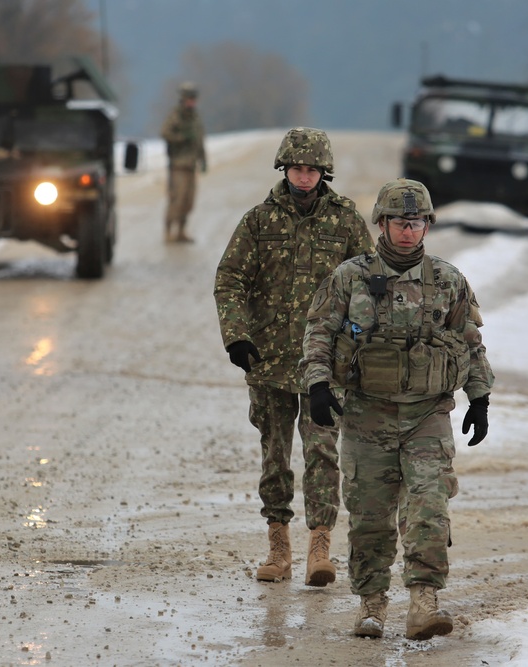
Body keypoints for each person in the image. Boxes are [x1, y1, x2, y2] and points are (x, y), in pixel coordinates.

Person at [300, 178, 494, 640]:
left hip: (427, 415)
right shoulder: (350, 276)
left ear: (427, 226)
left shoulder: (448, 280)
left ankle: (424, 601)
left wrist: (479, 396)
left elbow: (470, 341)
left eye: (416, 223)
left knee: (429, 507)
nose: (408, 232)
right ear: (381, 225)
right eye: (398, 223)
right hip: (368, 415)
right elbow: (319, 333)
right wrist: (318, 385)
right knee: (370, 515)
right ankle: (371, 604)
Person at [214, 127, 374, 587]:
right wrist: (237, 336)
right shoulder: (259, 221)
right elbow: (229, 280)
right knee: (274, 454)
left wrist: (355, 342)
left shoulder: (344, 221)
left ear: (324, 172)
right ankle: (278, 546)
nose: (304, 177)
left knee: (323, 451)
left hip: (324, 364)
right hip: (268, 359)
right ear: (285, 169)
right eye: (297, 169)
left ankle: (319, 546)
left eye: (312, 170)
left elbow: (366, 287)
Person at [160, 81, 206, 243]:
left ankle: (181, 231)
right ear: (183, 99)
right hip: (178, 165)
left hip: (191, 165)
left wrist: (203, 159)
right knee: (177, 199)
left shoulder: (195, 118)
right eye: (189, 98)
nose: (192, 101)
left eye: (194, 98)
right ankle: (168, 231)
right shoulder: (176, 116)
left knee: (188, 201)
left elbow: (200, 139)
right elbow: (165, 133)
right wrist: (182, 137)